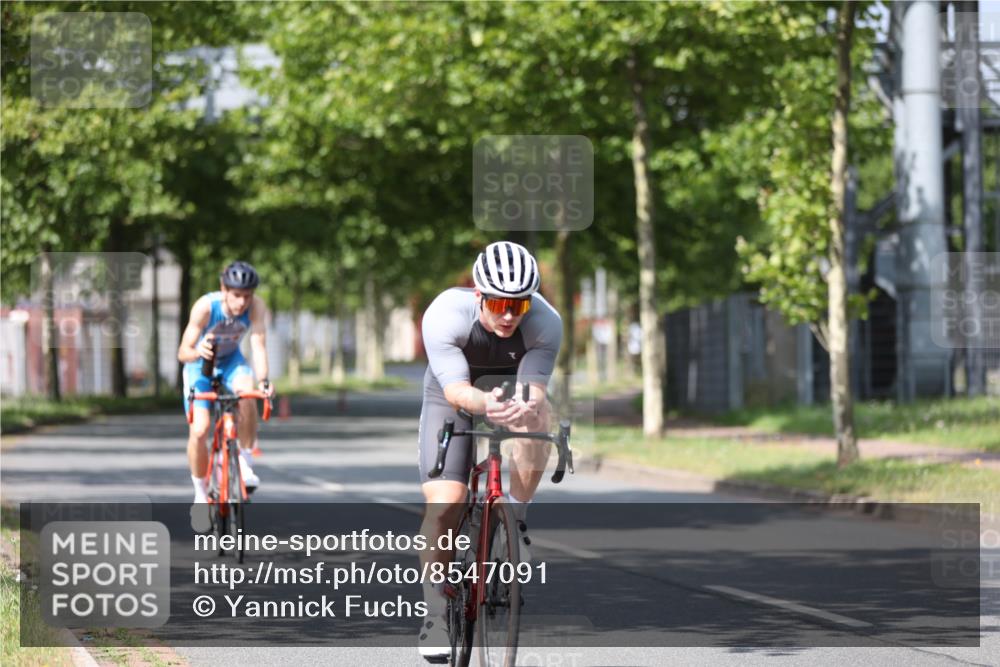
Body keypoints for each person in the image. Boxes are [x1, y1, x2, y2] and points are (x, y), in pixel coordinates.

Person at [415, 241, 562, 661]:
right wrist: (486, 404)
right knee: (446, 504)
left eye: (520, 305)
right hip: (452, 394)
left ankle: (515, 515)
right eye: (499, 303)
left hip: (510, 389)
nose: (510, 315)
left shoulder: (547, 323)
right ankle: (435, 613)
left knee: (540, 416)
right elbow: (458, 390)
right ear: (479, 295)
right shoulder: (445, 314)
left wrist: (525, 406)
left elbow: (534, 388)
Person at [177, 261, 273, 531]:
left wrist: (265, 381)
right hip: (200, 366)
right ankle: (200, 492)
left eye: (247, 295)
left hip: (232, 362)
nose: (242, 302)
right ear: (223, 290)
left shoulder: (256, 307)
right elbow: (182, 352)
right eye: (236, 295)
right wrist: (199, 351)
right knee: (201, 429)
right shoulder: (205, 307)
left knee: (249, 393)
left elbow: (259, 345)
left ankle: (243, 461)